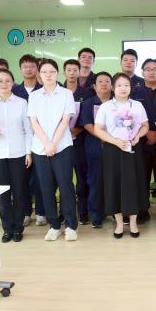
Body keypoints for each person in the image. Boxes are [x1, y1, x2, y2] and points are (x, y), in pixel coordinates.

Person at [28, 59, 78, 241]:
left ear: (57, 73)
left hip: (62, 146)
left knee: (66, 186)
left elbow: (66, 120)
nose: (48, 75)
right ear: (39, 75)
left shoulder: (66, 94)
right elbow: (34, 122)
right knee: (46, 187)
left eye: (52, 72)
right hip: (40, 148)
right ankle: (54, 226)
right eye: (44, 72)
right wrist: (46, 143)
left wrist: (53, 143)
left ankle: (71, 225)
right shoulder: (34, 96)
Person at [94, 73, 149, 239]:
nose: (123, 88)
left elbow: (145, 125)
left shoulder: (137, 105)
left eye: (126, 85)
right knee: (114, 185)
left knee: (134, 184)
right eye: (119, 85)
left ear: (130, 87)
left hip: (133, 149)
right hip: (113, 149)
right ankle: (118, 223)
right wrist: (115, 141)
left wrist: (138, 136)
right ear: (113, 88)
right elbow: (98, 129)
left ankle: (133, 223)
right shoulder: (105, 107)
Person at [0, 69, 32, 242]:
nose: (4, 84)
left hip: (18, 153)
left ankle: (18, 228)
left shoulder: (21, 103)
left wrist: (28, 152)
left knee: (19, 192)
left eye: (7, 81)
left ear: (13, 83)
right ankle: (7, 228)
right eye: (0, 81)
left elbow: (28, 130)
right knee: (3, 193)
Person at [12, 54, 46, 226]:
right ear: (20, 69)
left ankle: (41, 211)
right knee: (21, 179)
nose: (28, 69)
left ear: (37, 69)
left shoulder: (44, 89)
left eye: (32, 66)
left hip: (41, 141)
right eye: (25, 66)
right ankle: (25, 212)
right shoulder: (14, 91)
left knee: (41, 178)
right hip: (20, 143)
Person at [132, 58, 156, 223]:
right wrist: (146, 134)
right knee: (141, 179)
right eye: (148, 69)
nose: (152, 72)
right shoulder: (134, 92)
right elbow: (130, 117)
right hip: (141, 143)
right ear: (142, 72)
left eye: (155, 69)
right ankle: (142, 212)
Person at [79, 72, 113, 228]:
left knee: (114, 181)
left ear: (112, 85)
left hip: (115, 147)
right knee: (95, 181)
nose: (104, 84)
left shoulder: (117, 103)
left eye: (107, 81)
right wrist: (103, 136)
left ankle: (116, 212)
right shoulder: (89, 103)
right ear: (94, 86)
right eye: (100, 81)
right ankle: (97, 215)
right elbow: (87, 125)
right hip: (95, 147)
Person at [64, 59, 90, 224]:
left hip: (80, 141)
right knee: (63, 179)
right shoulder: (57, 92)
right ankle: (65, 212)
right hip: (61, 142)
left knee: (82, 179)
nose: (72, 73)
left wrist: (78, 128)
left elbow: (90, 116)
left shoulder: (87, 93)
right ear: (64, 72)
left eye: (75, 70)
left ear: (79, 72)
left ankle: (83, 211)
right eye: (69, 70)